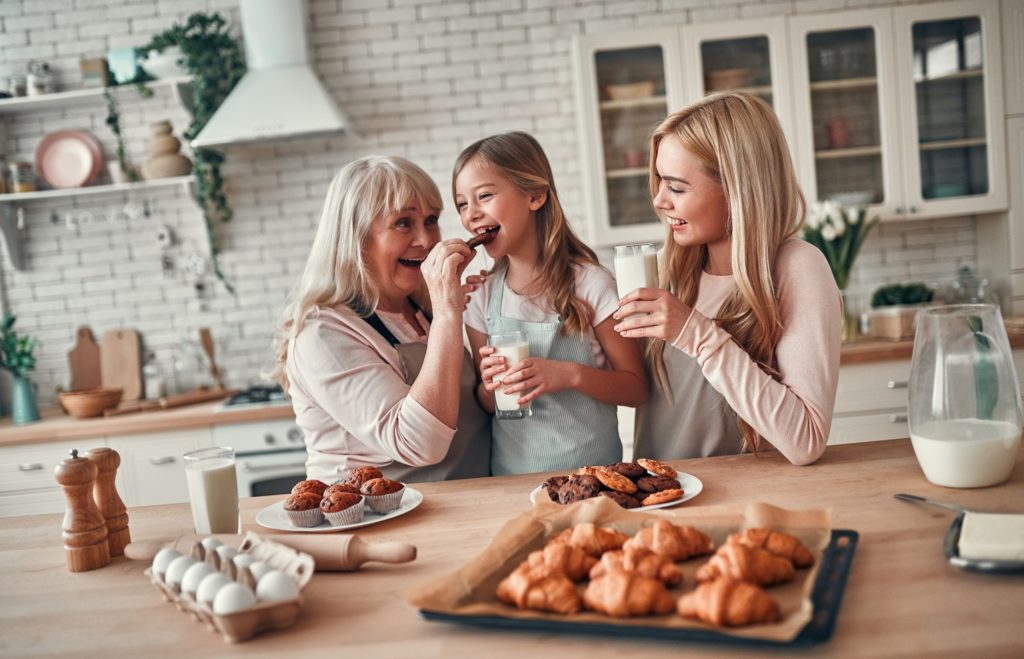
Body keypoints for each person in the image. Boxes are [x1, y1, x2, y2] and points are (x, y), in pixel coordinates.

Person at [613, 92, 841, 466]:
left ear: (737, 189)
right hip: (662, 502)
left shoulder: (796, 268)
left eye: (677, 187)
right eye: (658, 182)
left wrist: (695, 332)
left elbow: (806, 440)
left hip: (744, 505)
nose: (658, 200)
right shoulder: (671, 269)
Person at [272, 156, 490, 482]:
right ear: (356, 238)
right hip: (382, 521)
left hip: (461, 509)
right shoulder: (322, 334)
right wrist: (449, 311)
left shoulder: (421, 309)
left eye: (431, 220)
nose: (427, 240)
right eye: (404, 223)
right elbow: (419, 443)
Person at [454, 131, 648, 475]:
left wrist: (570, 374)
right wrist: (489, 387)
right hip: (512, 479)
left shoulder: (592, 284)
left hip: (596, 477)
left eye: (483, 196)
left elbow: (636, 388)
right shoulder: (479, 298)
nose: (471, 214)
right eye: (462, 204)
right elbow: (486, 404)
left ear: (535, 196)